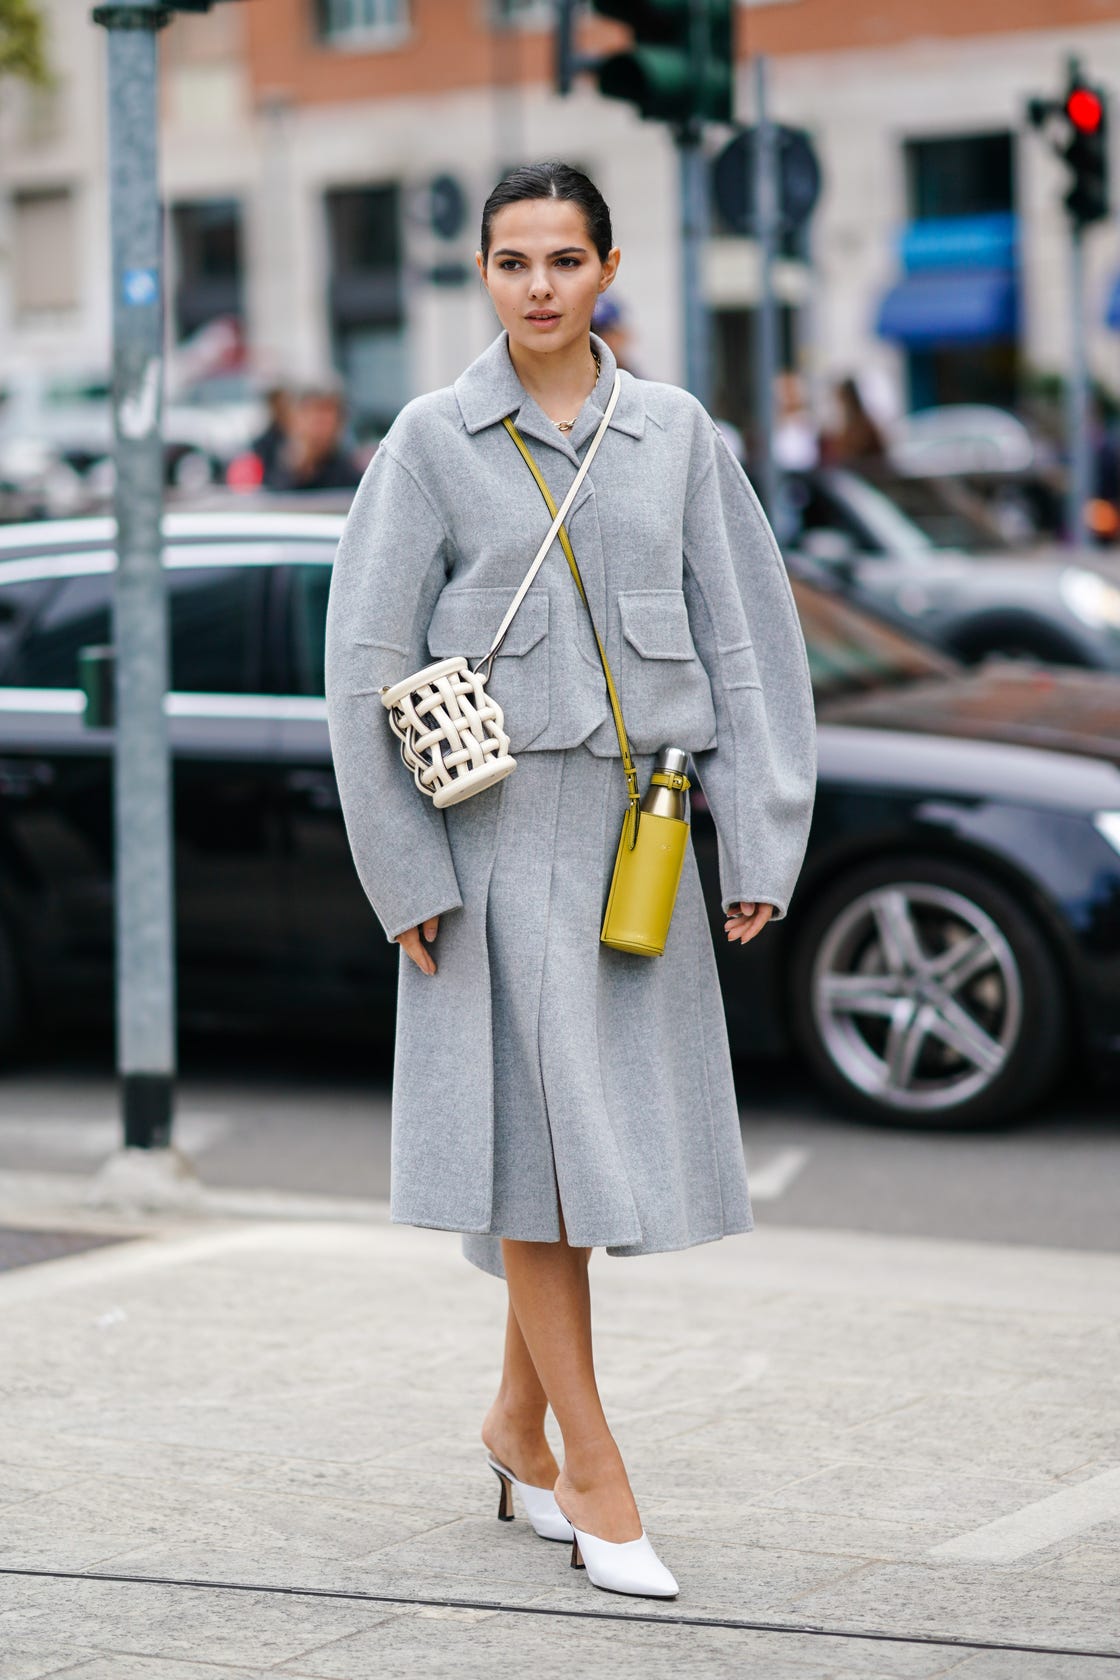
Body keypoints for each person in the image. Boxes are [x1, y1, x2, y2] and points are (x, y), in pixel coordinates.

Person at [324, 162, 816, 1602]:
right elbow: (363, 663)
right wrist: (402, 869)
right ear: (481, 276)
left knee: (572, 1151)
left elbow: (751, 649)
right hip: (488, 843)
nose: (536, 285)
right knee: (544, 1165)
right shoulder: (430, 442)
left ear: (607, 270)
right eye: (509, 261)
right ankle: (596, 1473)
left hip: (640, 839)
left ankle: (512, 1424)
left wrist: (760, 835)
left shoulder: (676, 436)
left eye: (562, 258)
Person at [265, 383, 363, 491]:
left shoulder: (349, 475)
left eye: (326, 420)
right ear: (293, 420)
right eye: (313, 417)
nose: (320, 429)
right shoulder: (266, 458)